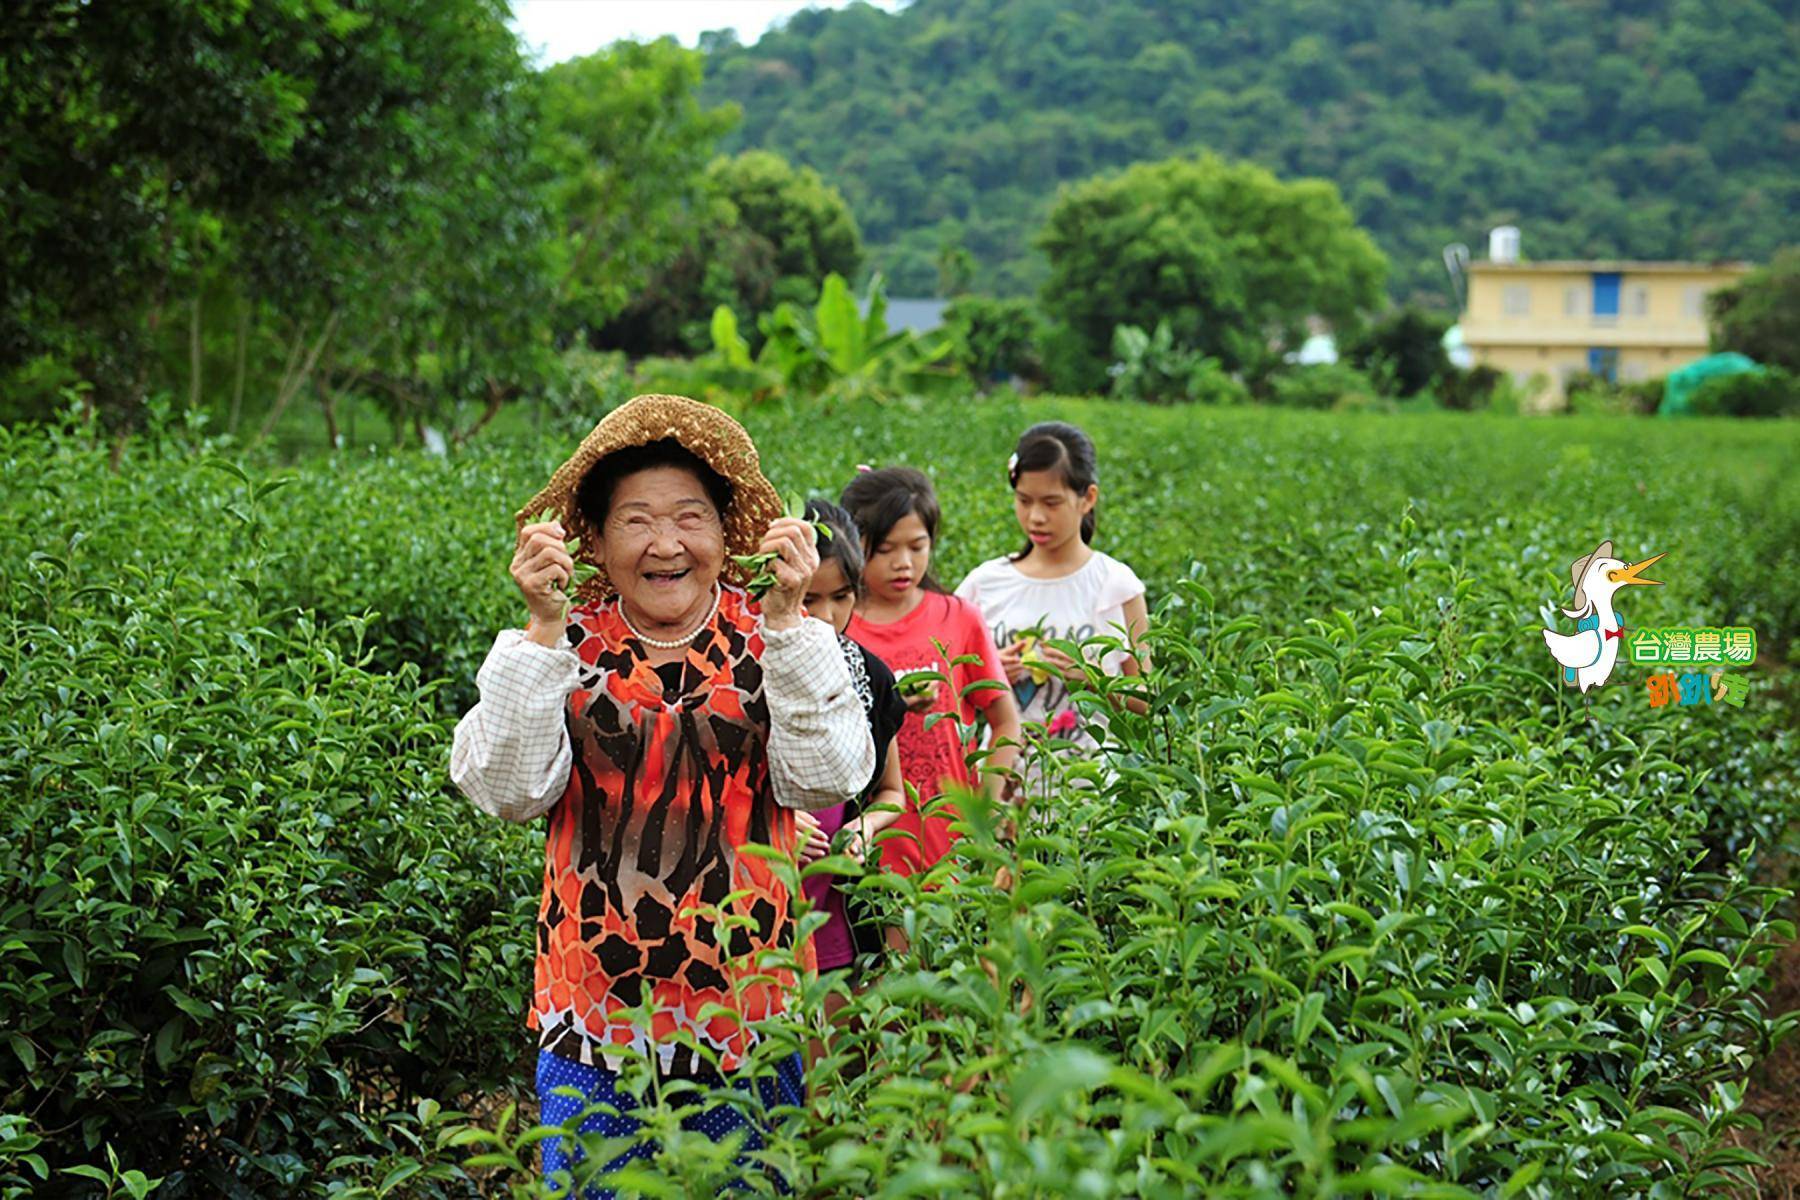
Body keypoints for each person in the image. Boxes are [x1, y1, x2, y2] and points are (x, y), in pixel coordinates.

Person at [448, 394, 874, 1197]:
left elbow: (828, 777)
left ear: (725, 532)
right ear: (598, 542)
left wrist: (787, 621)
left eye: (690, 517)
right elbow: (505, 790)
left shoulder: (775, 638)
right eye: (637, 520)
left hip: (748, 1020)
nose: (666, 543)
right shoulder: (564, 644)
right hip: (594, 1024)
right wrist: (540, 629)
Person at [839, 466, 1020, 877]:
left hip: (954, 837)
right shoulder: (841, 628)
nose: (903, 563)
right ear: (854, 545)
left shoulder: (958, 619)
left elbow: (1006, 721)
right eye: (885, 550)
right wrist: (891, 707)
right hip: (873, 843)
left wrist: (986, 813)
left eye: (917, 547)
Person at [955, 422, 1149, 772]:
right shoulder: (984, 584)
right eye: (1024, 501)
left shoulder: (1116, 585)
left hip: (1090, 787)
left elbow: (1147, 700)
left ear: (1087, 498)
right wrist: (991, 674)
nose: (1036, 517)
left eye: (1052, 502)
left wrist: (1093, 679)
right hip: (1003, 781)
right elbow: (946, 683)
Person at [792, 499, 908, 1065]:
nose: (826, 615)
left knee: (831, 1071)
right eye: (808, 598)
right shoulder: (742, 673)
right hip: (760, 906)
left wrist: (863, 829)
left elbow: (893, 792)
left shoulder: (870, 677)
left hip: (840, 909)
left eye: (842, 597)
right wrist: (778, 823)